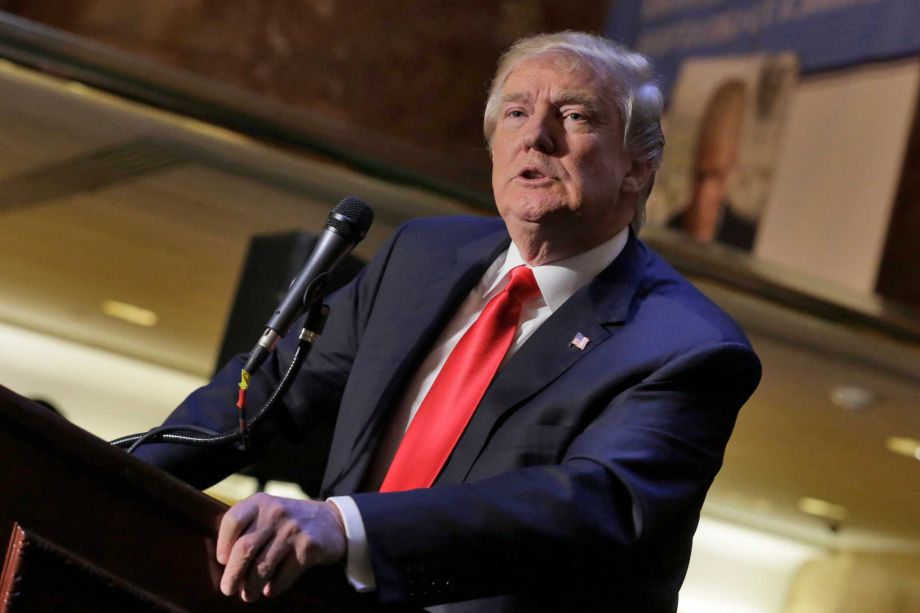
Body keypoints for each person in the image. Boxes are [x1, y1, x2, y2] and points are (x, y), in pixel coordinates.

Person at [136, 31, 761, 612]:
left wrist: (345, 526)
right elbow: (265, 396)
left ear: (638, 169)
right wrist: (116, 479)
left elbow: (593, 506)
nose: (535, 137)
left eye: (574, 117)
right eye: (515, 113)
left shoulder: (686, 346)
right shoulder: (421, 257)